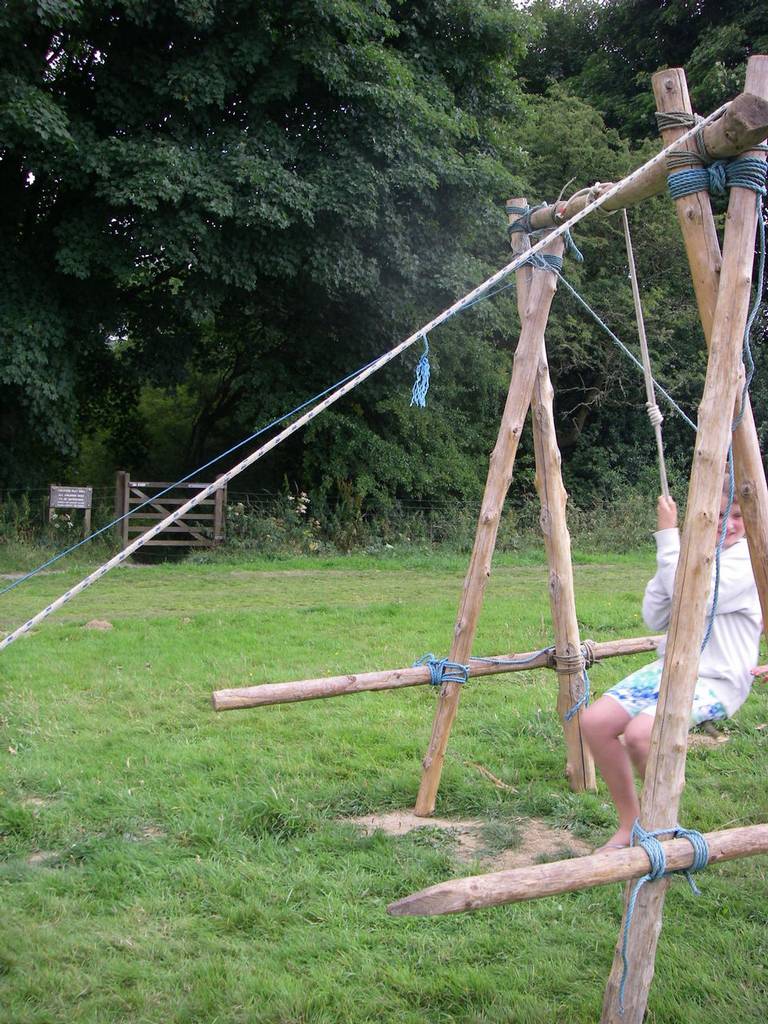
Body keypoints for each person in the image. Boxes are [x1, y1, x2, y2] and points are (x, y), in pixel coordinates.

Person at [580, 485, 762, 851]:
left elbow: (700, 596)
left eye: (739, 516)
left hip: (719, 678)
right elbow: (655, 615)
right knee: (595, 722)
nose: (729, 525)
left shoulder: (749, 560)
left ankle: (663, 826)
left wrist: (668, 538)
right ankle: (630, 823)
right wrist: (678, 553)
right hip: (675, 665)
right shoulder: (697, 552)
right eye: (721, 516)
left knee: (640, 734)